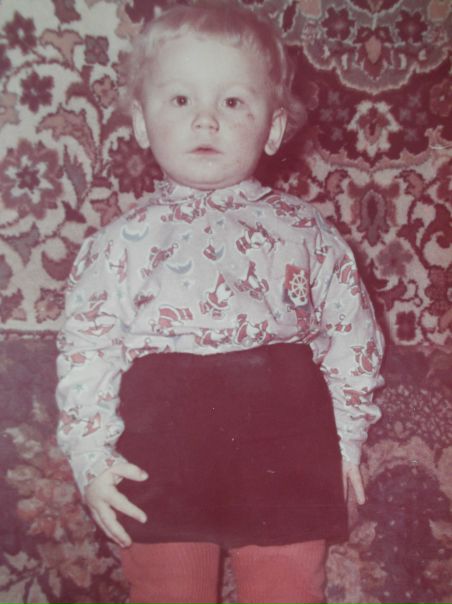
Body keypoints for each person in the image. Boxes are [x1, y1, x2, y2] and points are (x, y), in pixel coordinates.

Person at [56, 4, 385, 603]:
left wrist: (347, 438)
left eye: (233, 101)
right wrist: (91, 456)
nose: (205, 119)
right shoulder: (115, 246)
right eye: (181, 99)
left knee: (289, 594)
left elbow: (350, 335)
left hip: (286, 450)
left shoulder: (308, 232)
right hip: (161, 455)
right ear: (141, 121)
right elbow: (87, 352)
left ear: (274, 128)